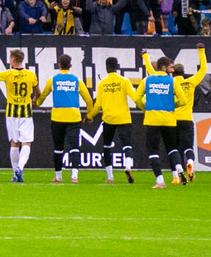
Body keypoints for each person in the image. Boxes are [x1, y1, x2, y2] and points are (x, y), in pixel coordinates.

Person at [145, 45, 206, 184]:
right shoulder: (190, 82)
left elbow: (151, 72)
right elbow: (203, 70)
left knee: (174, 149)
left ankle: (175, 176)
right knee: (188, 147)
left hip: (172, 119)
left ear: (172, 72)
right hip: (187, 119)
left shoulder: (170, 83)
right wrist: (201, 52)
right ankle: (189, 162)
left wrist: (146, 58)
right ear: (183, 72)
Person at [0, 48, 38, 182]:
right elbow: (38, 91)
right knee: (26, 143)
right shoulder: (31, 75)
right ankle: (20, 168)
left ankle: (14, 174)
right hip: (26, 113)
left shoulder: (7, 74)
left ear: (12, 60)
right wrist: (35, 99)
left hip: (11, 113)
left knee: (14, 143)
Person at [35, 54, 94, 183]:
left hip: (57, 118)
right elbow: (89, 100)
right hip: (73, 118)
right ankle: (74, 176)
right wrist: (89, 116)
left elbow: (41, 98)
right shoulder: (77, 80)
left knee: (58, 148)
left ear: (59, 65)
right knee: (74, 147)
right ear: (70, 66)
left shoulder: (53, 80)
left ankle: (58, 176)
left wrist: (35, 101)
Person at [137, 54, 193, 188]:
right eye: (171, 67)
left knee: (152, 150)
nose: (172, 70)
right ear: (164, 67)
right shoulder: (172, 81)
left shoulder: (147, 80)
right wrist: (172, 106)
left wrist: (145, 108)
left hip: (152, 119)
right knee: (172, 148)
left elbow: (137, 97)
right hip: (169, 119)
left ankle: (160, 180)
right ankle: (179, 168)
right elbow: (183, 100)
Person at [86, 56, 142, 184]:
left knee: (106, 147)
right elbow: (135, 98)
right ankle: (127, 166)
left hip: (109, 120)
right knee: (127, 146)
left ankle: (110, 177)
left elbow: (97, 106)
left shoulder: (102, 84)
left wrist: (89, 117)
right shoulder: (124, 81)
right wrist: (146, 108)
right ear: (117, 67)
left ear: (107, 67)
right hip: (124, 119)